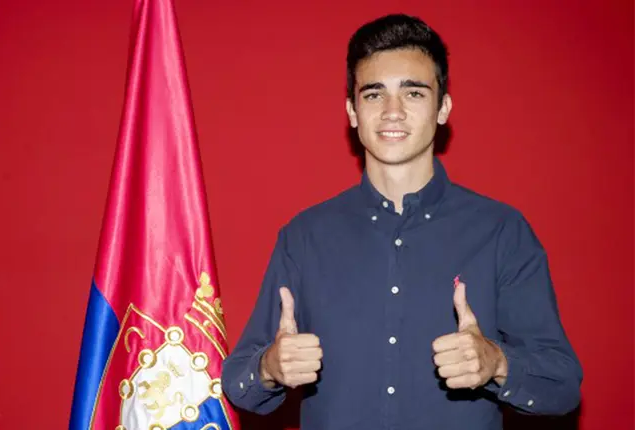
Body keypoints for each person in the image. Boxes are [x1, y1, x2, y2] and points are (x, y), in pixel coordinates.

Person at [220, 13, 583, 430]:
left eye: (413, 93)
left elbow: (562, 386)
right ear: (352, 112)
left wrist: (498, 363)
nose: (393, 111)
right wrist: (268, 366)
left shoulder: (501, 230)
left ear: (443, 108)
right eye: (374, 95)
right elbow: (238, 382)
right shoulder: (303, 237)